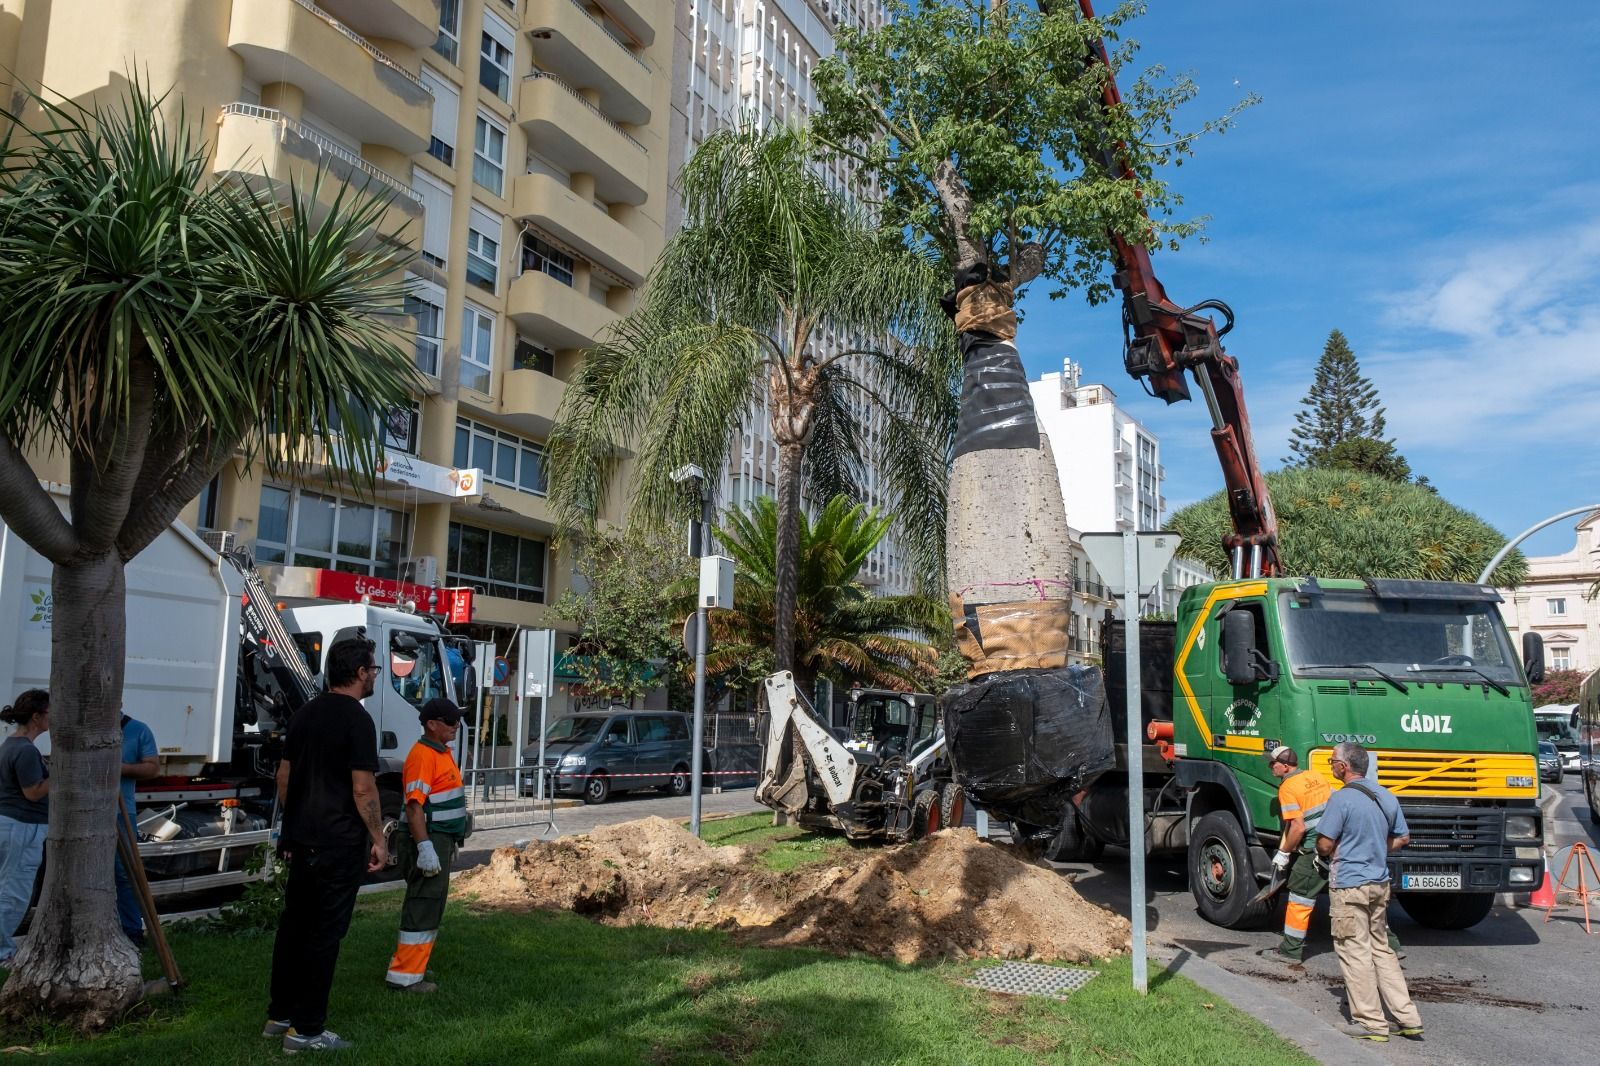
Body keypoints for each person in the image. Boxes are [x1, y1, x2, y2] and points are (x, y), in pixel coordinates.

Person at [263, 638, 387, 1054]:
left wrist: (297, 820)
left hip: (300, 839)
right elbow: (363, 788)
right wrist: (379, 839)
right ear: (359, 673)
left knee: (294, 927)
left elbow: (284, 777)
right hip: (338, 844)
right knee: (324, 935)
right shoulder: (358, 720)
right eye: (373, 668)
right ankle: (307, 1031)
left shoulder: (303, 716)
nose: (374, 675)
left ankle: (279, 1014)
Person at [1316, 741, 1423, 1043]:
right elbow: (1403, 838)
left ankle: (1371, 1022)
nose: (1332, 765)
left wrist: (1337, 851)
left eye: (1333, 761)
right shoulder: (1386, 795)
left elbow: (1324, 844)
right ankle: (1408, 1018)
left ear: (1344, 766)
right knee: (1382, 950)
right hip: (1379, 884)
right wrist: (1374, 848)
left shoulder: (1341, 799)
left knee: (1354, 952)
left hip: (1349, 885)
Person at [1260, 745, 1401, 964]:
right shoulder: (1315, 776)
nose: (1270, 767)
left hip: (1316, 848)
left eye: (1273, 763)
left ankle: (1290, 951)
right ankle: (1391, 946)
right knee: (1367, 901)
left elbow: (1297, 827)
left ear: (1285, 766)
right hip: (1340, 843)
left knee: (1300, 896)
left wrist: (1283, 853)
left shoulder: (1287, 788)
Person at [384, 697, 468, 993]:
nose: (456, 726)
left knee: (430, 905)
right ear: (431, 725)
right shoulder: (423, 756)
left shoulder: (440, 752)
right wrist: (425, 848)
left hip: (438, 839)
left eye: (457, 720)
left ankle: (414, 966)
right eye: (450, 721)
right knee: (423, 904)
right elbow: (414, 807)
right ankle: (404, 976)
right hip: (427, 839)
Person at [0, 690, 50, 967]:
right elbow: (33, 792)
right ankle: (2, 952)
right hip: (23, 826)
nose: (51, 718)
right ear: (36, 716)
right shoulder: (26, 750)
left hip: (10, 824)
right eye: (49, 713)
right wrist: (59, 774)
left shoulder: (10, 744)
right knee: (14, 893)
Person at [115, 712, 159, 946]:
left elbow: (152, 768)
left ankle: (132, 930)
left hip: (122, 812)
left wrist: (119, 767)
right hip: (87, 814)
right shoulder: (85, 726)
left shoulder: (138, 730)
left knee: (126, 872)